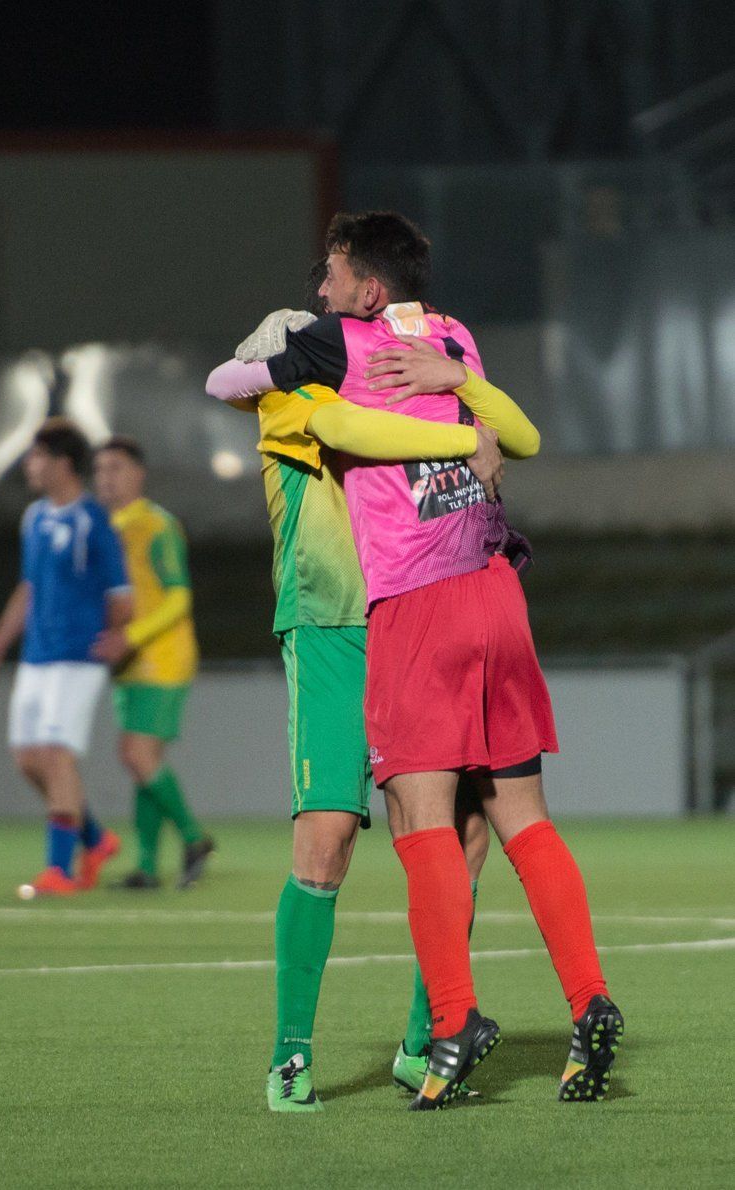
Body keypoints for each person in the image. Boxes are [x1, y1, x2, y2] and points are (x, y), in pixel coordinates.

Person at [207, 211, 624, 1111]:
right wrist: (469, 425)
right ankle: (292, 1054)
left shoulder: (395, 355)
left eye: (332, 278)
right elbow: (358, 426)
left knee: (461, 835)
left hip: (416, 617)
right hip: (334, 628)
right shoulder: (298, 398)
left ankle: (432, 1036)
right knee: (328, 842)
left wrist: (461, 397)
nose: (323, 294)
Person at [0, 418, 129, 895]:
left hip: (77, 658)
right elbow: (29, 590)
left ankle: (58, 871)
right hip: (37, 656)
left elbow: (123, 594)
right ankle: (95, 840)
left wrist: (119, 635)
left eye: (37, 456)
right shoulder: (33, 519)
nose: (29, 464)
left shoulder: (93, 520)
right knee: (27, 759)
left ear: (62, 463)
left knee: (56, 756)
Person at [92, 436, 214, 890]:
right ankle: (146, 865)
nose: (107, 477)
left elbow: (179, 596)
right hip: (128, 660)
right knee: (143, 762)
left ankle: (194, 837)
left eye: (117, 467)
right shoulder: (107, 527)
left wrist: (133, 636)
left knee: (135, 754)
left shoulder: (155, 525)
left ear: (139, 473)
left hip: (160, 658)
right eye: (101, 469)